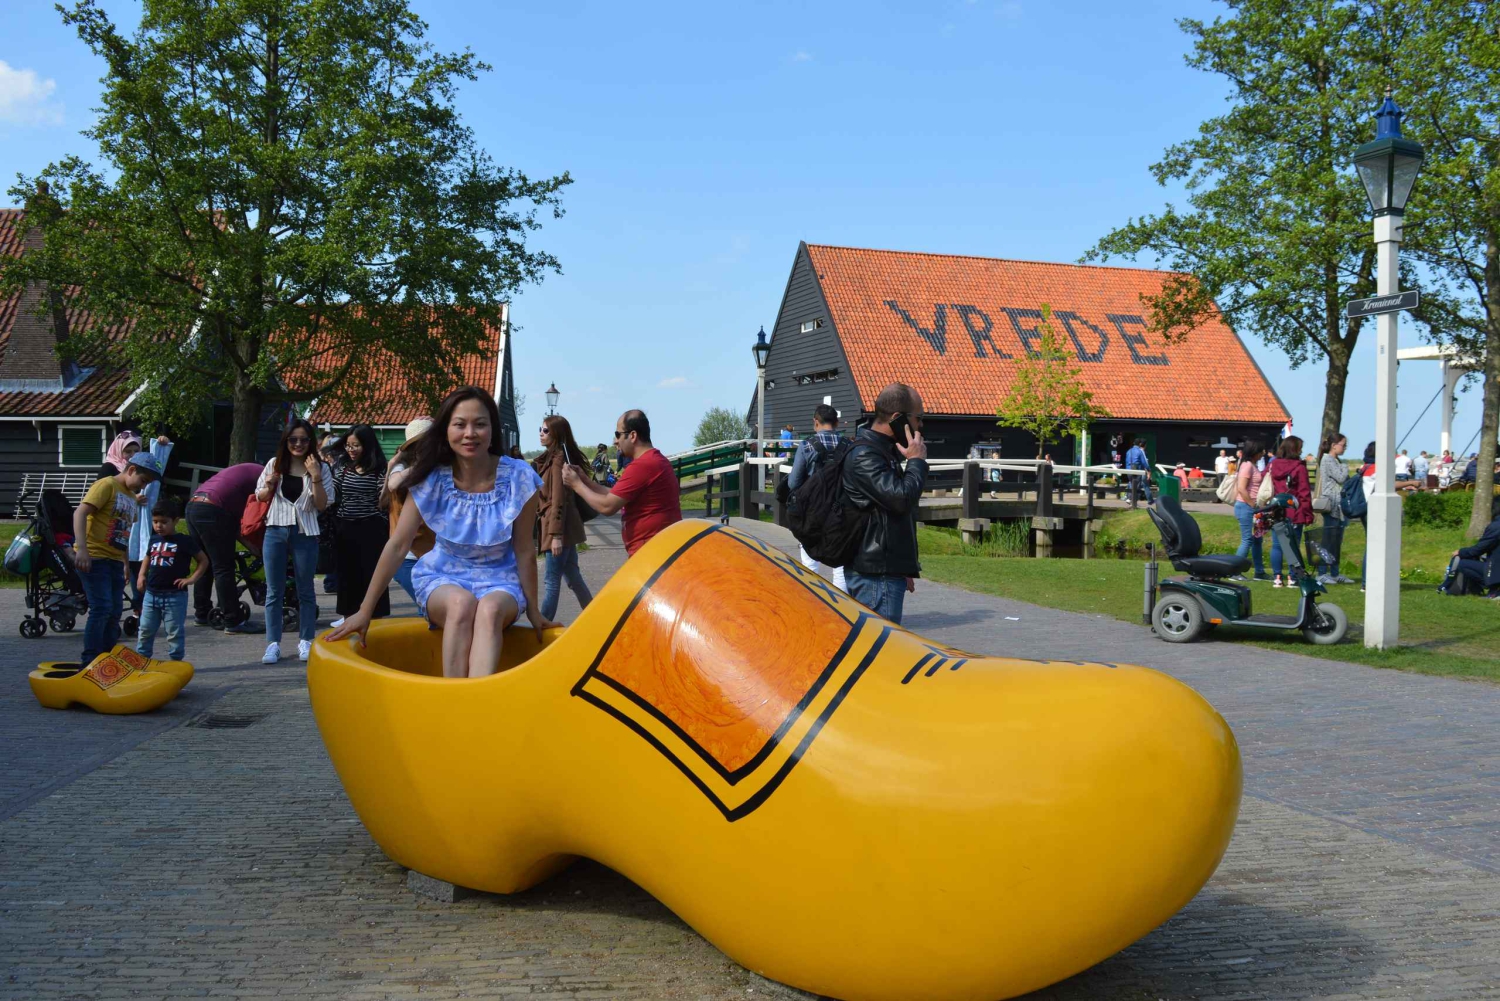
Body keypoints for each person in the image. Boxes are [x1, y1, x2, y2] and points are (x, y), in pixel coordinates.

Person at [328, 386, 554, 679]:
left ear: (492, 429)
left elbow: (524, 548)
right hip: (444, 576)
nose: (470, 433)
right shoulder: (432, 478)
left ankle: (474, 703)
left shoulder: (519, 477)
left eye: (480, 424)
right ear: (446, 430)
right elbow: (398, 545)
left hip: (502, 580)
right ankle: (453, 700)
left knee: (489, 610)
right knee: (461, 604)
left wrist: (534, 610)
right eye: (460, 424)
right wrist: (365, 610)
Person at [841, 384, 928, 623]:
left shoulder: (882, 451)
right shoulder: (865, 456)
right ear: (898, 418)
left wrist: (904, 566)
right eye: (918, 418)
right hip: (875, 574)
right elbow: (901, 499)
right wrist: (916, 462)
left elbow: (892, 510)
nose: (920, 425)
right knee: (878, 653)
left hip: (885, 570)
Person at [256, 420, 335, 664]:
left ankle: (306, 639)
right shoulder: (275, 464)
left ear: (311, 442)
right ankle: (273, 643)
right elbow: (259, 495)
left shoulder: (320, 468)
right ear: (286, 441)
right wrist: (268, 487)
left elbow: (323, 504)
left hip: (305, 532)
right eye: (293, 440)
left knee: (306, 589)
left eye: (303, 439)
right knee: (274, 590)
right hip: (276, 529)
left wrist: (315, 477)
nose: (298, 444)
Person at [72, 453, 162, 666]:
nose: (143, 487)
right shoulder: (106, 485)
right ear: (131, 470)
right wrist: (82, 548)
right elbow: (80, 513)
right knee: (101, 607)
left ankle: (106, 658)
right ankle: (90, 661)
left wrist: (124, 563)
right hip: (94, 557)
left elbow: (124, 533)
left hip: (113, 560)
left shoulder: (131, 497)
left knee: (114, 610)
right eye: (142, 481)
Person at [564, 410, 682, 556]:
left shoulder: (643, 465)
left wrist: (576, 485)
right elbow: (615, 495)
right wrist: (586, 481)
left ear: (632, 436)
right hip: (657, 549)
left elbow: (608, 506)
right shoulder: (654, 460)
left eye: (618, 434)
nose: (615, 441)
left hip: (651, 552)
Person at [186, 461, 263, 631]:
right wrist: (253, 545)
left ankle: (203, 613)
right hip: (214, 508)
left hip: (194, 505)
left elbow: (234, 521)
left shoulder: (248, 471)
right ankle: (233, 620)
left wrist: (248, 543)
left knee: (205, 563)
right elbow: (254, 516)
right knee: (224, 567)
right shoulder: (267, 477)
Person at [532, 414, 595, 621]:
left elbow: (560, 499)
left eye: (546, 431)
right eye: (540, 430)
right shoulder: (551, 458)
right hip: (563, 528)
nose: (541, 434)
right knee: (573, 578)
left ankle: (543, 626)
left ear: (557, 434)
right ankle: (595, 617)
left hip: (557, 529)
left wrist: (556, 535)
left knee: (551, 582)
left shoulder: (558, 460)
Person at [331, 425, 391, 628]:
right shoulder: (344, 467)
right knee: (348, 578)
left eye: (356, 445)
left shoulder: (379, 469)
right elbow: (333, 492)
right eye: (348, 445)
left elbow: (383, 502)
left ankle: (374, 624)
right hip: (345, 528)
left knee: (372, 577)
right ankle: (348, 621)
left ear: (367, 445)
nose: (351, 449)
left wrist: (390, 473)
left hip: (371, 529)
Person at [134, 499, 207, 662]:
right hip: (151, 595)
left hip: (175, 596)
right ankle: (141, 660)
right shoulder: (154, 539)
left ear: (175, 520)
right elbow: (148, 556)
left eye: (163, 522)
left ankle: (175, 661)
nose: (158, 526)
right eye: (155, 522)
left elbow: (203, 560)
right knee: (145, 629)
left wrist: (192, 579)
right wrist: (141, 575)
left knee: (174, 632)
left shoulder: (184, 541)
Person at [787, 404, 847, 591]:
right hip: (840, 511)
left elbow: (793, 483)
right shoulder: (848, 445)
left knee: (810, 563)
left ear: (815, 422)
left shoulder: (807, 446)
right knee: (840, 565)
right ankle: (842, 611)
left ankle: (813, 604)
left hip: (813, 511)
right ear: (836, 422)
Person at [381, 417, 436, 603]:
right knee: (428, 603)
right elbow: (394, 483)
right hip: (407, 556)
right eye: (420, 443)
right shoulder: (402, 467)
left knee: (431, 609)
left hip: (433, 554)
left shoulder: (440, 470)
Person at [125, 434, 174, 617]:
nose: (131, 454)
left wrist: (161, 446)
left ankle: (148, 603)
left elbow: (161, 467)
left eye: (135, 451)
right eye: (127, 451)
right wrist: (132, 498)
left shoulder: (145, 475)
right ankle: (138, 604)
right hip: (123, 531)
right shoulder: (112, 473)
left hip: (144, 524)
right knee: (131, 567)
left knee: (147, 564)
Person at [1268, 436, 1313, 587]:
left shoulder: (1273, 464)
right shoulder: (1299, 467)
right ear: (1295, 449)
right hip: (1295, 510)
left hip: (1277, 509)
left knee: (1277, 545)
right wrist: (1308, 514)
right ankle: (1293, 577)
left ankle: (1277, 577)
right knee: (1293, 544)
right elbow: (1304, 492)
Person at [1315, 434, 1354, 585]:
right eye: (1343, 445)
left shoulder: (1334, 460)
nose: (1344, 448)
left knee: (1337, 540)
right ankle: (1322, 572)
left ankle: (1335, 572)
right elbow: (1341, 478)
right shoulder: (1328, 460)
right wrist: (1345, 466)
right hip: (1332, 505)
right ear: (1334, 445)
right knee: (1328, 540)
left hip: (1339, 504)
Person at [1444, 499, 1500, 598]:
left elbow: (1478, 550)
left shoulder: (1496, 526)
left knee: (1462, 563)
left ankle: (1494, 591)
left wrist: (1460, 552)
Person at [1233, 439, 1269, 581]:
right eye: (1261, 451)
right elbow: (1242, 488)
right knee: (1247, 539)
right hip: (1246, 506)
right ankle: (1234, 571)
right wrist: (1253, 505)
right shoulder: (1247, 466)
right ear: (1255, 452)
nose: (1263, 454)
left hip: (1251, 507)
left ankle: (1259, 571)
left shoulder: (1251, 465)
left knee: (1257, 540)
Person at [1124, 438, 1151, 508]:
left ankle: (1129, 499)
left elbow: (1126, 461)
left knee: (1131, 484)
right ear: (1140, 444)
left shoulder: (1128, 451)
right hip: (1137, 470)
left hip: (1128, 470)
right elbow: (1144, 462)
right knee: (1137, 486)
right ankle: (1133, 502)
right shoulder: (1140, 451)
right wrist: (1148, 470)